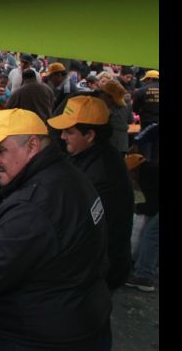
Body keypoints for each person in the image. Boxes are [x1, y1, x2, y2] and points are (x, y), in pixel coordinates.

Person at [0, 108, 112, 350]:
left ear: (33, 146)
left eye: (0, 150)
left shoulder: (35, 201)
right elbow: (39, 232)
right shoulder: (67, 176)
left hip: (40, 337)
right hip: (75, 319)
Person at [48, 95, 135, 291]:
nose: (62, 136)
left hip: (96, 272)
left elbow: (86, 233)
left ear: (90, 135)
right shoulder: (84, 155)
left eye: (69, 132)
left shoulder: (103, 174)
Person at [124, 154, 159, 293]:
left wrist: (137, 208)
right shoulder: (151, 171)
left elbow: (152, 205)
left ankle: (144, 276)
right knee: (150, 233)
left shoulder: (147, 176)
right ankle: (148, 267)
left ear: (133, 171)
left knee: (150, 235)